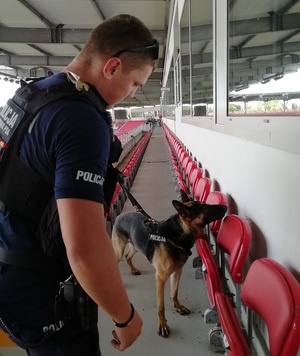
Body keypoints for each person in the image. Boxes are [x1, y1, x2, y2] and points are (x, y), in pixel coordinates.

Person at [0, 14, 159, 355]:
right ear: (112, 66)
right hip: (37, 283)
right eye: (135, 83)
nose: (131, 95)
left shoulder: (33, 94)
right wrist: (125, 315)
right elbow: (84, 247)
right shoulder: (81, 119)